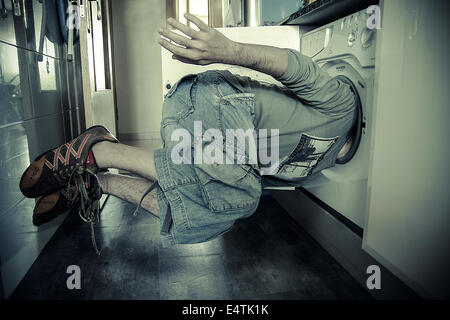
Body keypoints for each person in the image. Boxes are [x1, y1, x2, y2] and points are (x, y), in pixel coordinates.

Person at [19, 14, 357, 253]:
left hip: (201, 139)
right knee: (243, 196)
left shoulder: (317, 169)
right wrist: (231, 52)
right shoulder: (343, 106)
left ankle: (95, 183)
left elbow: (234, 178)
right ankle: (100, 151)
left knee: (205, 214)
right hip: (214, 102)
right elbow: (298, 67)